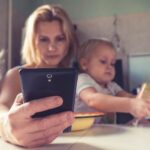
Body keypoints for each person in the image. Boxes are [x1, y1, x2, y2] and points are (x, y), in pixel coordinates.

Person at [0, 4, 77, 147]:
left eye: (60, 38)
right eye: (44, 39)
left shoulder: (74, 77)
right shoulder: (16, 75)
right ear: (32, 41)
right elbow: (1, 108)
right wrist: (6, 126)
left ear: (68, 41)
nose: (52, 47)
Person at [74, 38, 150, 123]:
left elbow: (127, 97)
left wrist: (142, 102)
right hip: (78, 132)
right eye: (103, 61)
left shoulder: (111, 85)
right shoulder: (81, 79)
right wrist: (131, 105)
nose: (109, 67)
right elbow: (92, 100)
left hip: (102, 131)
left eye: (112, 63)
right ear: (85, 64)